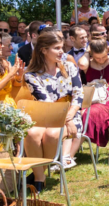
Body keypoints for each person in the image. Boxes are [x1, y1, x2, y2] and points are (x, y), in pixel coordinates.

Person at [24, 31, 84, 186]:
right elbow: (47, 103)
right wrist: (65, 119)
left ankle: (37, 176)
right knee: (31, 133)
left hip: (71, 115)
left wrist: (69, 118)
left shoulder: (70, 67)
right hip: (47, 115)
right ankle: (40, 177)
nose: (62, 51)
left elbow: (78, 96)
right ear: (44, 50)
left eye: (62, 47)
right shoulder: (31, 75)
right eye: (57, 48)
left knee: (51, 134)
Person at [81, 38, 109, 149]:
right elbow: (82, 65)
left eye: (104, 56)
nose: (101, 60)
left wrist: (105, 47)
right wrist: (87, 52)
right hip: (92, 98)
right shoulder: (88, 64)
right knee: (85, 113)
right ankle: (68, 152)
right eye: (97, 57)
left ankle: (68, 154)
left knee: (88, 113)